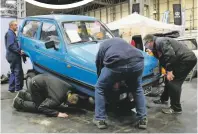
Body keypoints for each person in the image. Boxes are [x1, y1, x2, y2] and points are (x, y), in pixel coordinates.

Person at [93, 37, 147, 129]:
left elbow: (99, 65)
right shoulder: (122, 41)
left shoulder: (102, 46)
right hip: (138, 61)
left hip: (117, 64)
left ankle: (100, 119)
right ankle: (143, 119)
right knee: (137, 88)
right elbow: (127, 62)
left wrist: (103, 80)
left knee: (99, 87)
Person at [143, 34, 197, 114]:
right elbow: (163, 59)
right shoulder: (156, 47)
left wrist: (170, 71)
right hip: (180, 61)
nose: (146, 47)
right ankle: (163, 99)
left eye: (146, 44)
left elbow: (170, 55)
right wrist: (166, 72)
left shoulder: (160, 41)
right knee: (168, 80)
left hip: (186, 60)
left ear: (150, 41)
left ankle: (176, 108)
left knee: (174, 83)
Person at [13, 74, 79, 118]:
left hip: (41, 79)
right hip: (35, 85)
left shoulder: (69, 88)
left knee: (41, 100)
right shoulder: (57, 98)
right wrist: (57, 113)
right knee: (38, 106)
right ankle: (18, 103)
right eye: (69, 104)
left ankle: (23, 94)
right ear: (68, 101)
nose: (67, 105)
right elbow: (42, 107)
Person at [5, 20, 24, 93]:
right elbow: (11, 46)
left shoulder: (11, 33)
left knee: (13, 72)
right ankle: (18, 89)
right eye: (15, 25)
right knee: (17, 72)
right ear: (11, 26)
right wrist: (19, 51)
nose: (17, 26)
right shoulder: (10, 34)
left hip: (11, 55)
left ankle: (11, 88)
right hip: (14, 56)